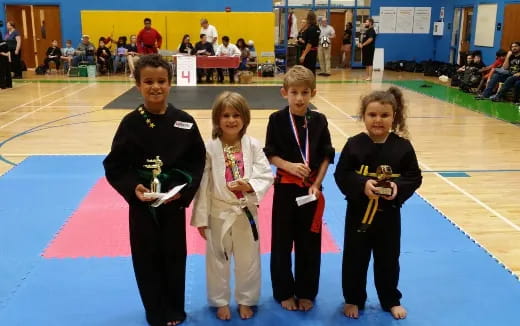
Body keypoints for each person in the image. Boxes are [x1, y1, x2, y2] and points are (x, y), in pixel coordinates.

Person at [103, 54, 206, 326]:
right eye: (148, 81)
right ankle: (154, 309)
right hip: (142, 205)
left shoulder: (183, 121)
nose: (155, 87)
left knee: (174, 256)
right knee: (146, 257)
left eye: (161, 81)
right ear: (138, 85)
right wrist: (131, 188)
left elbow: (197, 160)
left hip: (172, 204)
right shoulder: (130, 123)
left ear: (170, 83)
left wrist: (183, 192)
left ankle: (174, 308)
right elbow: (114, 165)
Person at [334, 87, 422, 320]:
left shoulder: (402, 147)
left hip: (389, 215)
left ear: (395, 117)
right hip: (358, 213)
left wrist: (397, 187)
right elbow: (341, 174)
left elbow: (414, 177)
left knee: (388, 259)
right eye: (372, 115)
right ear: (363, 116)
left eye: (384, 115)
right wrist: (363, 185)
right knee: (355, 258)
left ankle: (390, 299)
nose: (378, 120)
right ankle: (353, 298)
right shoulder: (354, 144)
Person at [192, 91, 273, 321]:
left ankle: (246, 299)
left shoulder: (253, 145)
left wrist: (249, 184)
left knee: (248, 259)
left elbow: (266, 175)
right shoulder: (209, 148)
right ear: (217, 119)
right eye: (225, 115)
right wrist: (201, 218)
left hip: (246, 210)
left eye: (236, 115)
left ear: (245, 118)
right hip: (218, 212)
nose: (231, 120)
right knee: (218, 259)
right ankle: (220, 301)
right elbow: (204, 185)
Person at [264, 65, 335, 312]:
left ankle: (306, 292)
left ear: (313, 93)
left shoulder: (319, 120)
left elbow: (327, 154)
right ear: (285, 93)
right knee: (282, 243)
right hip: (285, 189)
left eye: (305, 92)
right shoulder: (276, 119)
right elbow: (270, 154)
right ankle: (283, 291)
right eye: (294, 92)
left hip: (311, 191)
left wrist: (316, 183)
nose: (299, 98)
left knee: (309, 243)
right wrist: (289, 166)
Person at [299, 11, 320, 75]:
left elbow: (309, 44)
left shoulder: (311, 29)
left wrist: (303, 55)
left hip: (309, 52)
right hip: (313, 52)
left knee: (308, 71)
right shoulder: (317, 28)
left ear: (309, 19)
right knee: (311, 70)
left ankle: (309, 84)